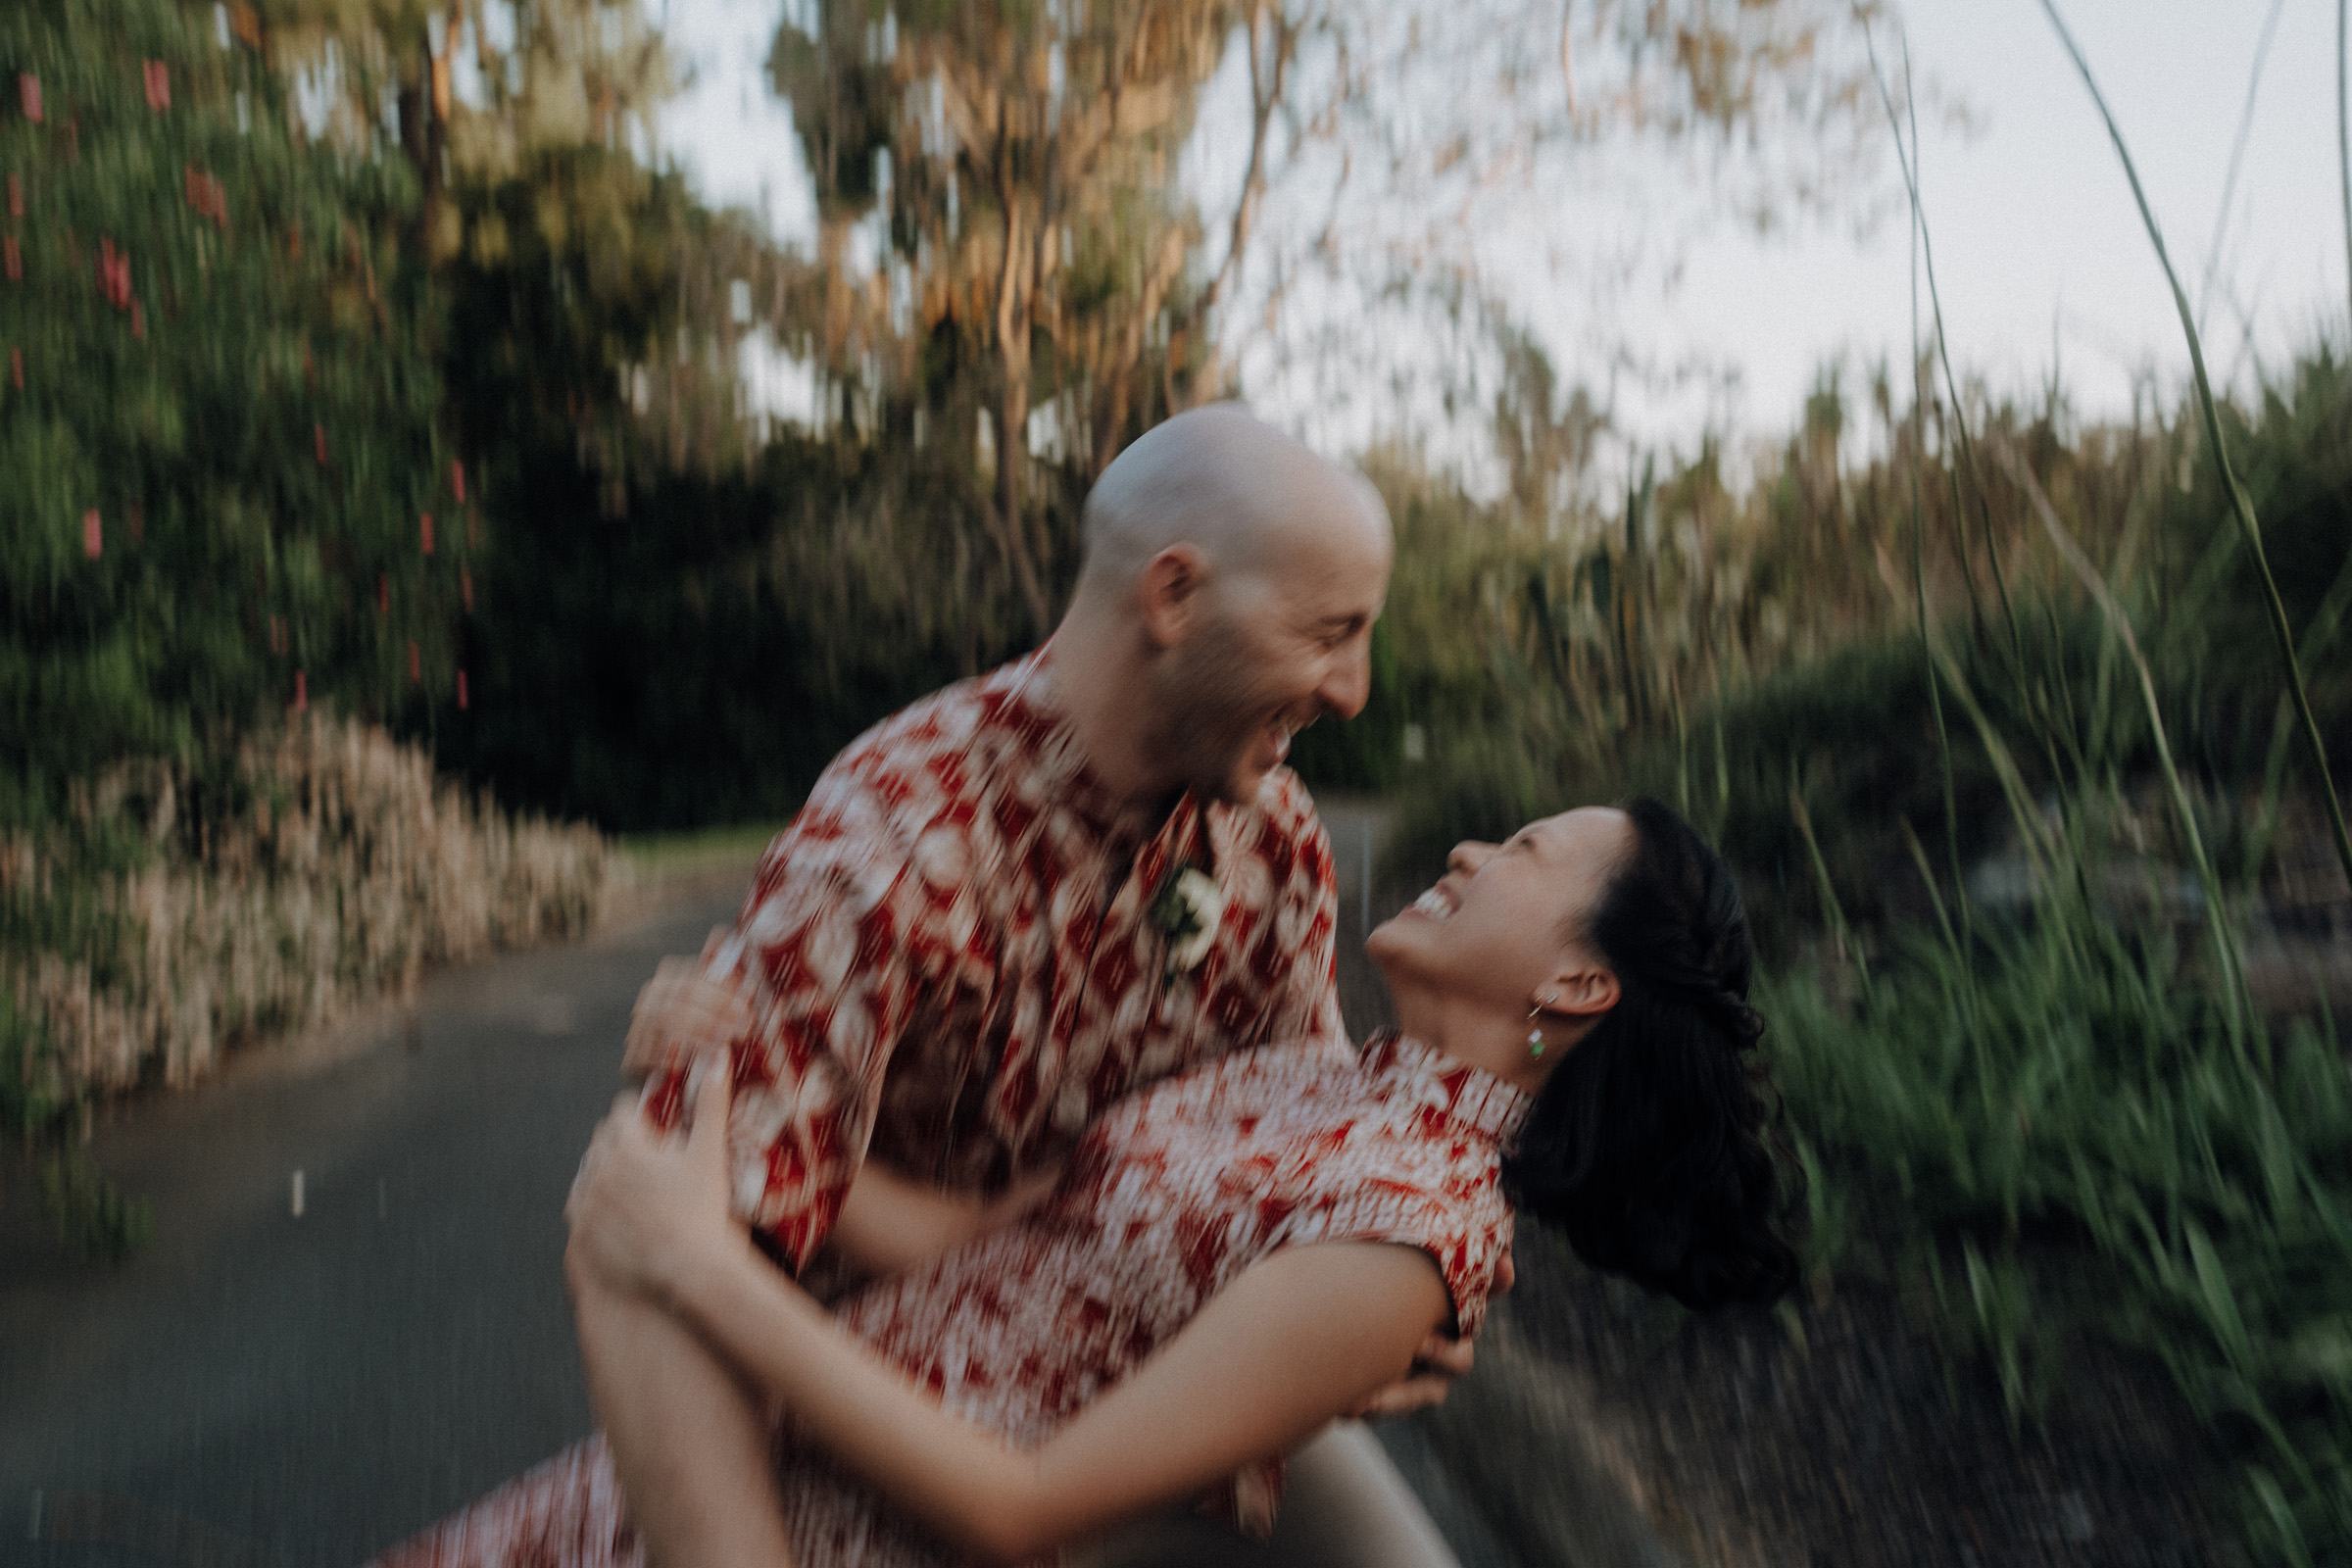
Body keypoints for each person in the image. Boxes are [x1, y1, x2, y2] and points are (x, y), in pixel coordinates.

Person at [490, 403, 1469, 1567]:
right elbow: (646, 1251)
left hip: (1133, 1379)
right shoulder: (894, 839)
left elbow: (1292, 1166)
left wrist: (1374, 1291)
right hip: (876, 1401)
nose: (1354, 687)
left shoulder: (1278, 847)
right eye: (1330, 631)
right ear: (1172, 596)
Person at [376, 798, 1799, 1567]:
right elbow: (979, 1240)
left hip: (857, 1531)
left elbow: (1026, 1508)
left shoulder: (1416, 1234)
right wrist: (734, 1085)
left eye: (1529, 852)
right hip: (768, 1428)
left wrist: (695, 1270)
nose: (1474, 849)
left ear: (1576, 979)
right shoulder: (1319, 1079)